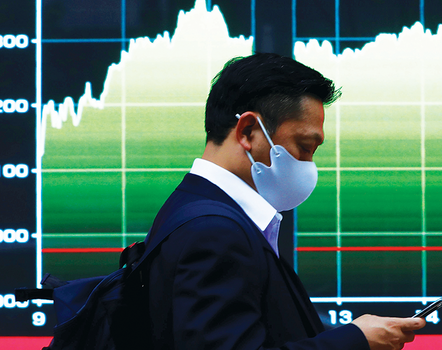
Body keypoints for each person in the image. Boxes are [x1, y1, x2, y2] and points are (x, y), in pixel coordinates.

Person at [145, 53, 425, 349]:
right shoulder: (214, 233)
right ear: (248, 132)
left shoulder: (193, 206)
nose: (309, 165)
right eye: (305, 147)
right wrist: (354, 341)